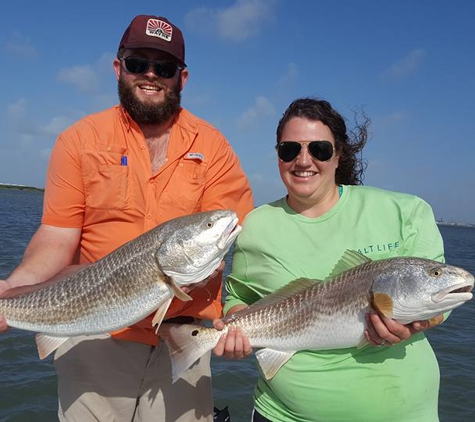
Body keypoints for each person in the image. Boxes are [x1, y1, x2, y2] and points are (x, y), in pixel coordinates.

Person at [0, 14, 253, 422]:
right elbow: (57, 236)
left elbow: (230, 231)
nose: (150, 75)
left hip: (186, 337)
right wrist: (11, 290)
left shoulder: (213, 146)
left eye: (165, 68)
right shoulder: (79, 140)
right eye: (138, 63)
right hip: (92, 329)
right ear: (119, 68)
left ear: (182, 78)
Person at [213, 97, 445, 422]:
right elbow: (240, 297)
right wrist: (237, 326)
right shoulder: (255, 225)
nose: (303, 160)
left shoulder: (405, 211)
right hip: (282, 414)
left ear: (338, 155)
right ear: (278, 155)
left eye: (319, 149)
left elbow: (439, 302)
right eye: (289, 149)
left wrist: (418, 323)